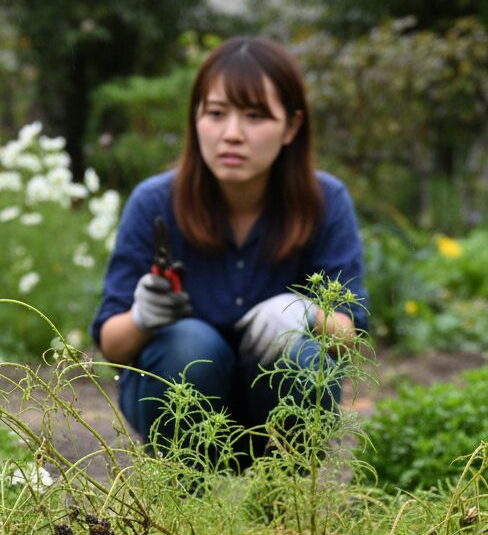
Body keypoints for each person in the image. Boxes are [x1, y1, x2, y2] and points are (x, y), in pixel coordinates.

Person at [90, 36, 368, 466]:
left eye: (255, 116)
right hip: (181, 409)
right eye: (216, 113)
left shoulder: (325, 201)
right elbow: (112, 343)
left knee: (301, 354)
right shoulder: (155, 203)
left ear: (291, 126)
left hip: (281, 415)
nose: (232, 134)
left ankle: (287, 496)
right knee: (188, 344)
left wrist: (306, 313)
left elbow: (351, 336)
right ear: (196, 117)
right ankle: (181, 497)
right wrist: (143, 317)